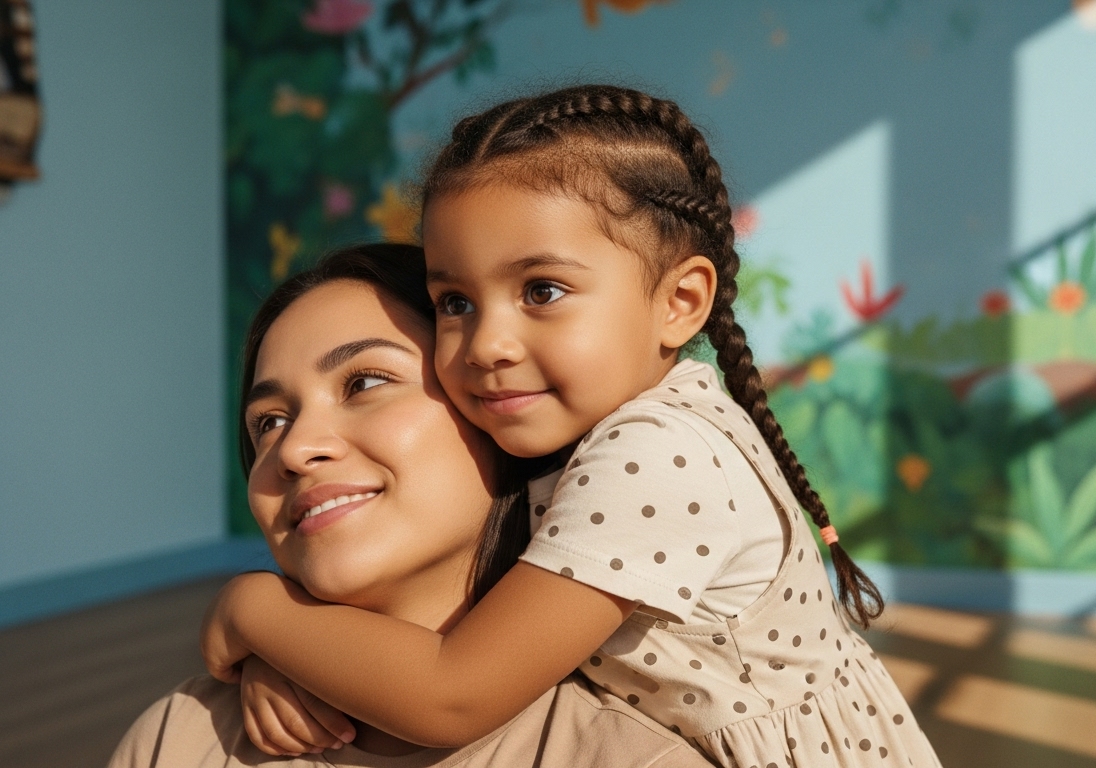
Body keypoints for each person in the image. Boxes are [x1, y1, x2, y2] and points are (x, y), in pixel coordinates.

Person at [202, 85, 942, 768]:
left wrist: (255, 610)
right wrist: (293, 656)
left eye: (542, 290)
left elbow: (451, 691)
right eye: (455, 301)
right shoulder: (571, 429)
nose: (487, 342)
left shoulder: (658, 453)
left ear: (680, 302)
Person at [108, 244, 711, 768]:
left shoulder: (632, 753)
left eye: (364, 383)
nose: (293, 449)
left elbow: (449, 694)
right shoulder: (178, 737)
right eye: (268, 422)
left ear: (498, 408)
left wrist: (251, 608)